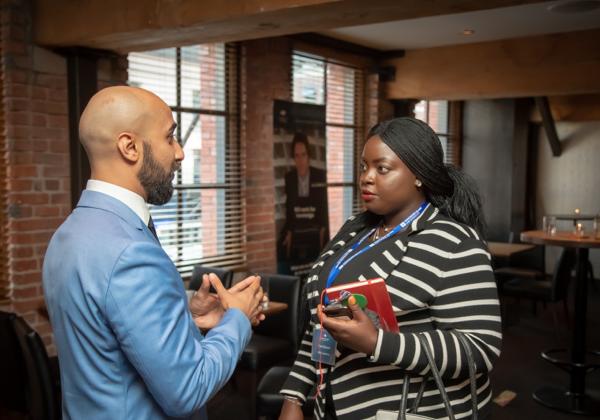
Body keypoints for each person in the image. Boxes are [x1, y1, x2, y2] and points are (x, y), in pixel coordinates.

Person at [42, 86, 264, 419]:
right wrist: (237, 319)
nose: (180, 153)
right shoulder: (129, 251)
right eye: (170, 137)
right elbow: (187, 389)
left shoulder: (67, 236)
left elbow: (107, 344)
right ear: (129, 147)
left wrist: (188, 321)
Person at [279, 117, 501, 419]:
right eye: (363, 167)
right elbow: (323, 322)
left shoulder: (453, 242)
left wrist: (377, 343)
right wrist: (295, 395)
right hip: (330, 406)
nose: (366, 178)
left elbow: (479, 349)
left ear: (419, 175)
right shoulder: (354, 232)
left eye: (382, 169)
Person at [281, 132, 329, 266]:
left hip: (317, 222)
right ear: (293, 158)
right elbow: (289, 208)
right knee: (282, 248)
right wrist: (289, 231)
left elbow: (324, 208)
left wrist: (322, 231)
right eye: (297, 156)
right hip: (296, 222)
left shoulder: (320, 175)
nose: (300, 160)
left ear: (309, 156)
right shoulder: (289, 177)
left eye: (303, 155)